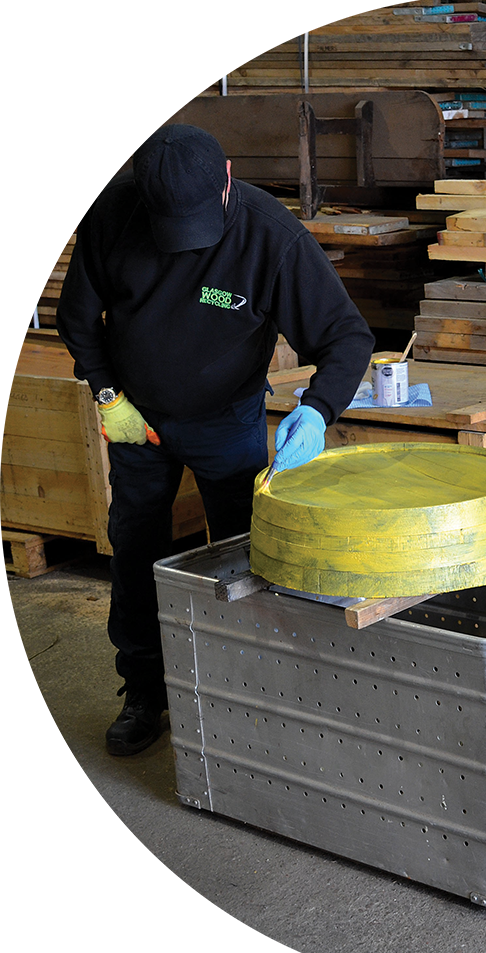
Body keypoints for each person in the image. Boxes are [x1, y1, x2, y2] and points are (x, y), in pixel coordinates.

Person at [56, 124, 375, 756]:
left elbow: (346, 336)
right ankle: (144, 690)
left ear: (227, 180)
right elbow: (76, 317)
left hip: (226, 421)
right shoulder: (114, 213)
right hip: (137, 422)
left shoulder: (270, 236)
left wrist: (315, 410)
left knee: (243, 555)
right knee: (135, 550)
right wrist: (105, 394)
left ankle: (252, 694)